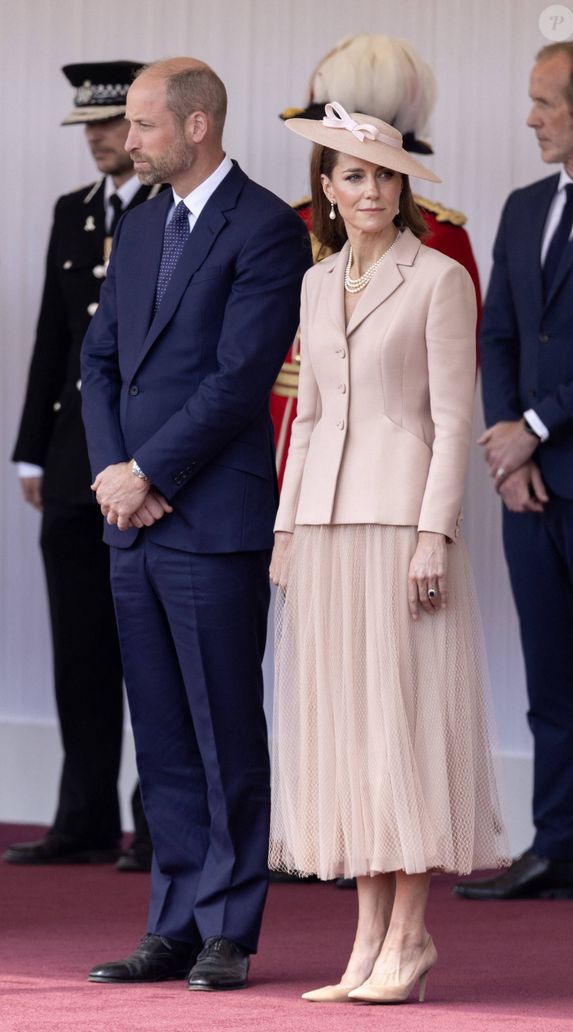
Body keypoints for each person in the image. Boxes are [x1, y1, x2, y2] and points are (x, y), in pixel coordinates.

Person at [269, 102, 509, 1004]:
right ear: (327, 191)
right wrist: (287, 529)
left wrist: (432, 535)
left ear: (405, 185)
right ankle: (366, 943)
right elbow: (311, 418)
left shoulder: (440, 279)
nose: (372, 190)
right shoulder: (316, 282)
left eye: (386, 175)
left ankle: (409, 940)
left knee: (402, 729)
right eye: (354, 175)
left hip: (399, 526)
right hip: (324, 531)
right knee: (346, 734)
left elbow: (453, 423)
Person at [80, 58, 311, 990]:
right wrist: (112, 473)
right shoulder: (138, 226)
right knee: (164, 730)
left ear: (198, 125)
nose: (129, 142)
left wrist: (149, 471)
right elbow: (99, 362)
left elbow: (239, 377)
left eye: (142, 125)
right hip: (132, 519)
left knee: (223, 730)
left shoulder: (262, 228)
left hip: (210, 519)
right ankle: (171, 923)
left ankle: (227, 927)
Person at [7, 61, 159, 873]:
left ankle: (155, 818)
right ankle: (85, 813)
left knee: (148, 647)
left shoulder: (168, 212)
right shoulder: (75, 212)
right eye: (91, 128)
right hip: (71, 463)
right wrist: (30, 448)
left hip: (145, 464)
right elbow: (51, 340)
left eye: (113, 124)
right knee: (80, 646)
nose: (102, 140)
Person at [454, 41, 573, 901]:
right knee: (551, 675)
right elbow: (496, 331)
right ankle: (560, 845)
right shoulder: (524, 205)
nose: (530, 118)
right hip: (526, 484)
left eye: (546, 102)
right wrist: (506, 443)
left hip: (559, 456)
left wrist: (535, 425)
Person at [270, 33, 483, 488]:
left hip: (389, 456)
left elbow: (451, 383)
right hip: (282, 433)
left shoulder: (441, 236)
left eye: (383, 170)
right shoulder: (290, 222)